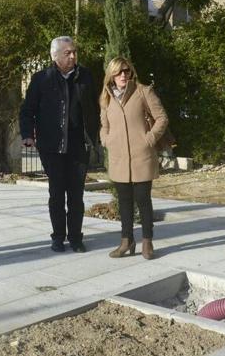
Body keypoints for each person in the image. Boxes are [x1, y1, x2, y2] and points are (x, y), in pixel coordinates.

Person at [19, 36, 99, 253]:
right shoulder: (41, 79)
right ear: (55, 56)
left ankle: (75, 237)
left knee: (76, 195)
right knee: (56, 193)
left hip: (78, 145)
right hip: (51, 146)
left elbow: (98, 106)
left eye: (74, 52)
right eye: (68, 53)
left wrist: (99, 134)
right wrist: (27, 134)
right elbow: (27, 110)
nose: (73, 56)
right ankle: (58, 237)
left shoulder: (86, 77)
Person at [99, 57, 169, 260]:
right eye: (119, 72)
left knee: (143, 201)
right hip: (119, 157)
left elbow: (162, 118)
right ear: (111, 74)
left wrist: (149, 139)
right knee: (124, 202)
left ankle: (147, 241)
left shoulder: (143, 92)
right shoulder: (106, 97)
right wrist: (106, 139)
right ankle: (126, 241)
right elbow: (104, 125)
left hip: (142, 156)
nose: (123, 75)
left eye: (127, 71)